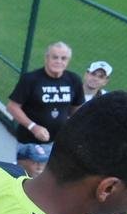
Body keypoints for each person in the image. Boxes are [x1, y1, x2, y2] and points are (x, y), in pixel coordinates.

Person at [6, 42, 84, 178]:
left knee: (50, 181)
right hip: (30, 142)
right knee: (25, 179)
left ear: (68, 61)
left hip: (58, 143)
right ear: (46, 58)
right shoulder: (31, 79)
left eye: (63, 58)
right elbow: (12, 107)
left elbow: (77, 110)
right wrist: (33, 127)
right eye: (55, 57)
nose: (59, 61)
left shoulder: (73, 80)